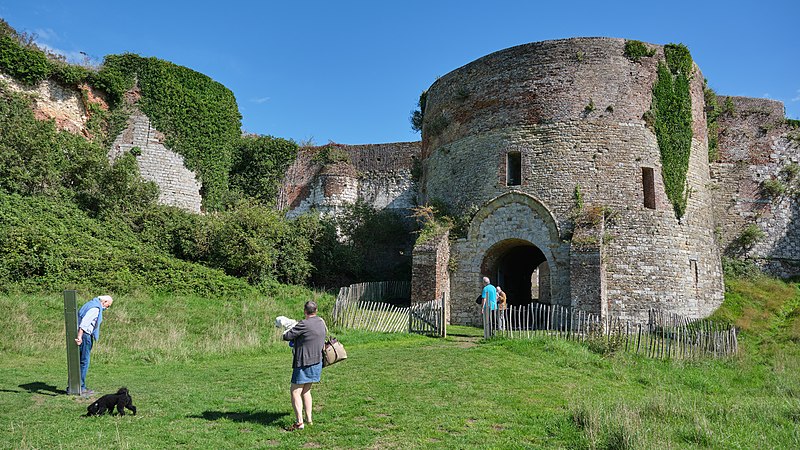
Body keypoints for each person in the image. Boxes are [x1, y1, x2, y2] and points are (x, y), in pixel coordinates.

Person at [282, 301, 327, 431]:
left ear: (304, 311)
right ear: (316, 310)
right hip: (317, 361)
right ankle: (309, 420)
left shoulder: (303, 324)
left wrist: (287, 325)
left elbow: (286, 336)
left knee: (295, 391)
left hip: (303, 363)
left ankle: (299, 423)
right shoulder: (321, 322)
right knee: (306, 390)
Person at [73, 295, 113, 395]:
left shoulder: (89, 304)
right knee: (84, 362)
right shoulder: (95, 308)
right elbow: (84, 323)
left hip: (82, 335)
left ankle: (74, 386)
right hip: (85, 336)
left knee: (78, 361)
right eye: (108, 306)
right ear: (104, 302)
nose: (107, 309)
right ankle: (81, 387)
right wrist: (80, 337)